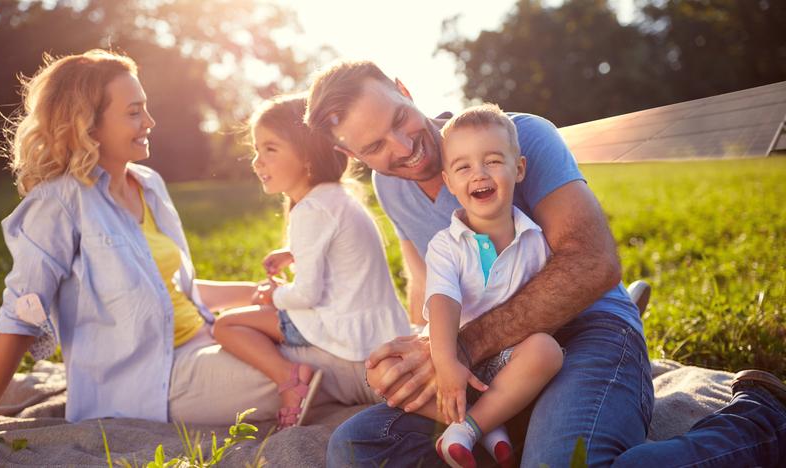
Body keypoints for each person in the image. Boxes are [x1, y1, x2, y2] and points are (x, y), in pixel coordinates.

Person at [305, 60, 786, 467]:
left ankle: (761, 421)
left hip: (586, 328)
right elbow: (428, 281)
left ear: (405, 91)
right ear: (351, 155)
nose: (402, 147)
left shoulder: (519, 137)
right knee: (356, 446)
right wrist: (419, 356)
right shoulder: (390, 185)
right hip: (490, 356)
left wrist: (459, 348)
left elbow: (593, 263)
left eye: (399, 119)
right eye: (374, 148)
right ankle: (503, 432)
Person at [0, 50, 377, 439]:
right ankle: (427, 399)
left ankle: (425, 381)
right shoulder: (57, 204)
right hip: (152, 382)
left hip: (206, 339)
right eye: (134, 112)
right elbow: (18, 323)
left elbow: (175, 291)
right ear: (89, 124)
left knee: (338, 336)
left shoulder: (148, 184)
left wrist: (260, 295)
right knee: (328, 366)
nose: (150, 121)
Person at [374, 104, 563, 467]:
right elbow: (443, 302)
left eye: (492, 161)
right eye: (463, 167)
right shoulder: (446, 245)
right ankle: (492, 425)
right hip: (453, 351)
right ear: (449, 182)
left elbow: (547, 309)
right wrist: (446, 362)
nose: (479, 174)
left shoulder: (536, 240)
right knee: (379, 370)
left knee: (547, 351)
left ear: (518, 168)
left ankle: (469, 428)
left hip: (507, 359)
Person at [211, 94, 411, 430]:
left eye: (270, 149)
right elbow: (337, 248)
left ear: (306, 156)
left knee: (226, 325)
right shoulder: (337, 197)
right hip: (380, 326)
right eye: (257, 150)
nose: (257, 162)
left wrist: (271, 296)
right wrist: (292, 252)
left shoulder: (310, 210)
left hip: (344, 330)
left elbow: (306, 295)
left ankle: (290, 379)